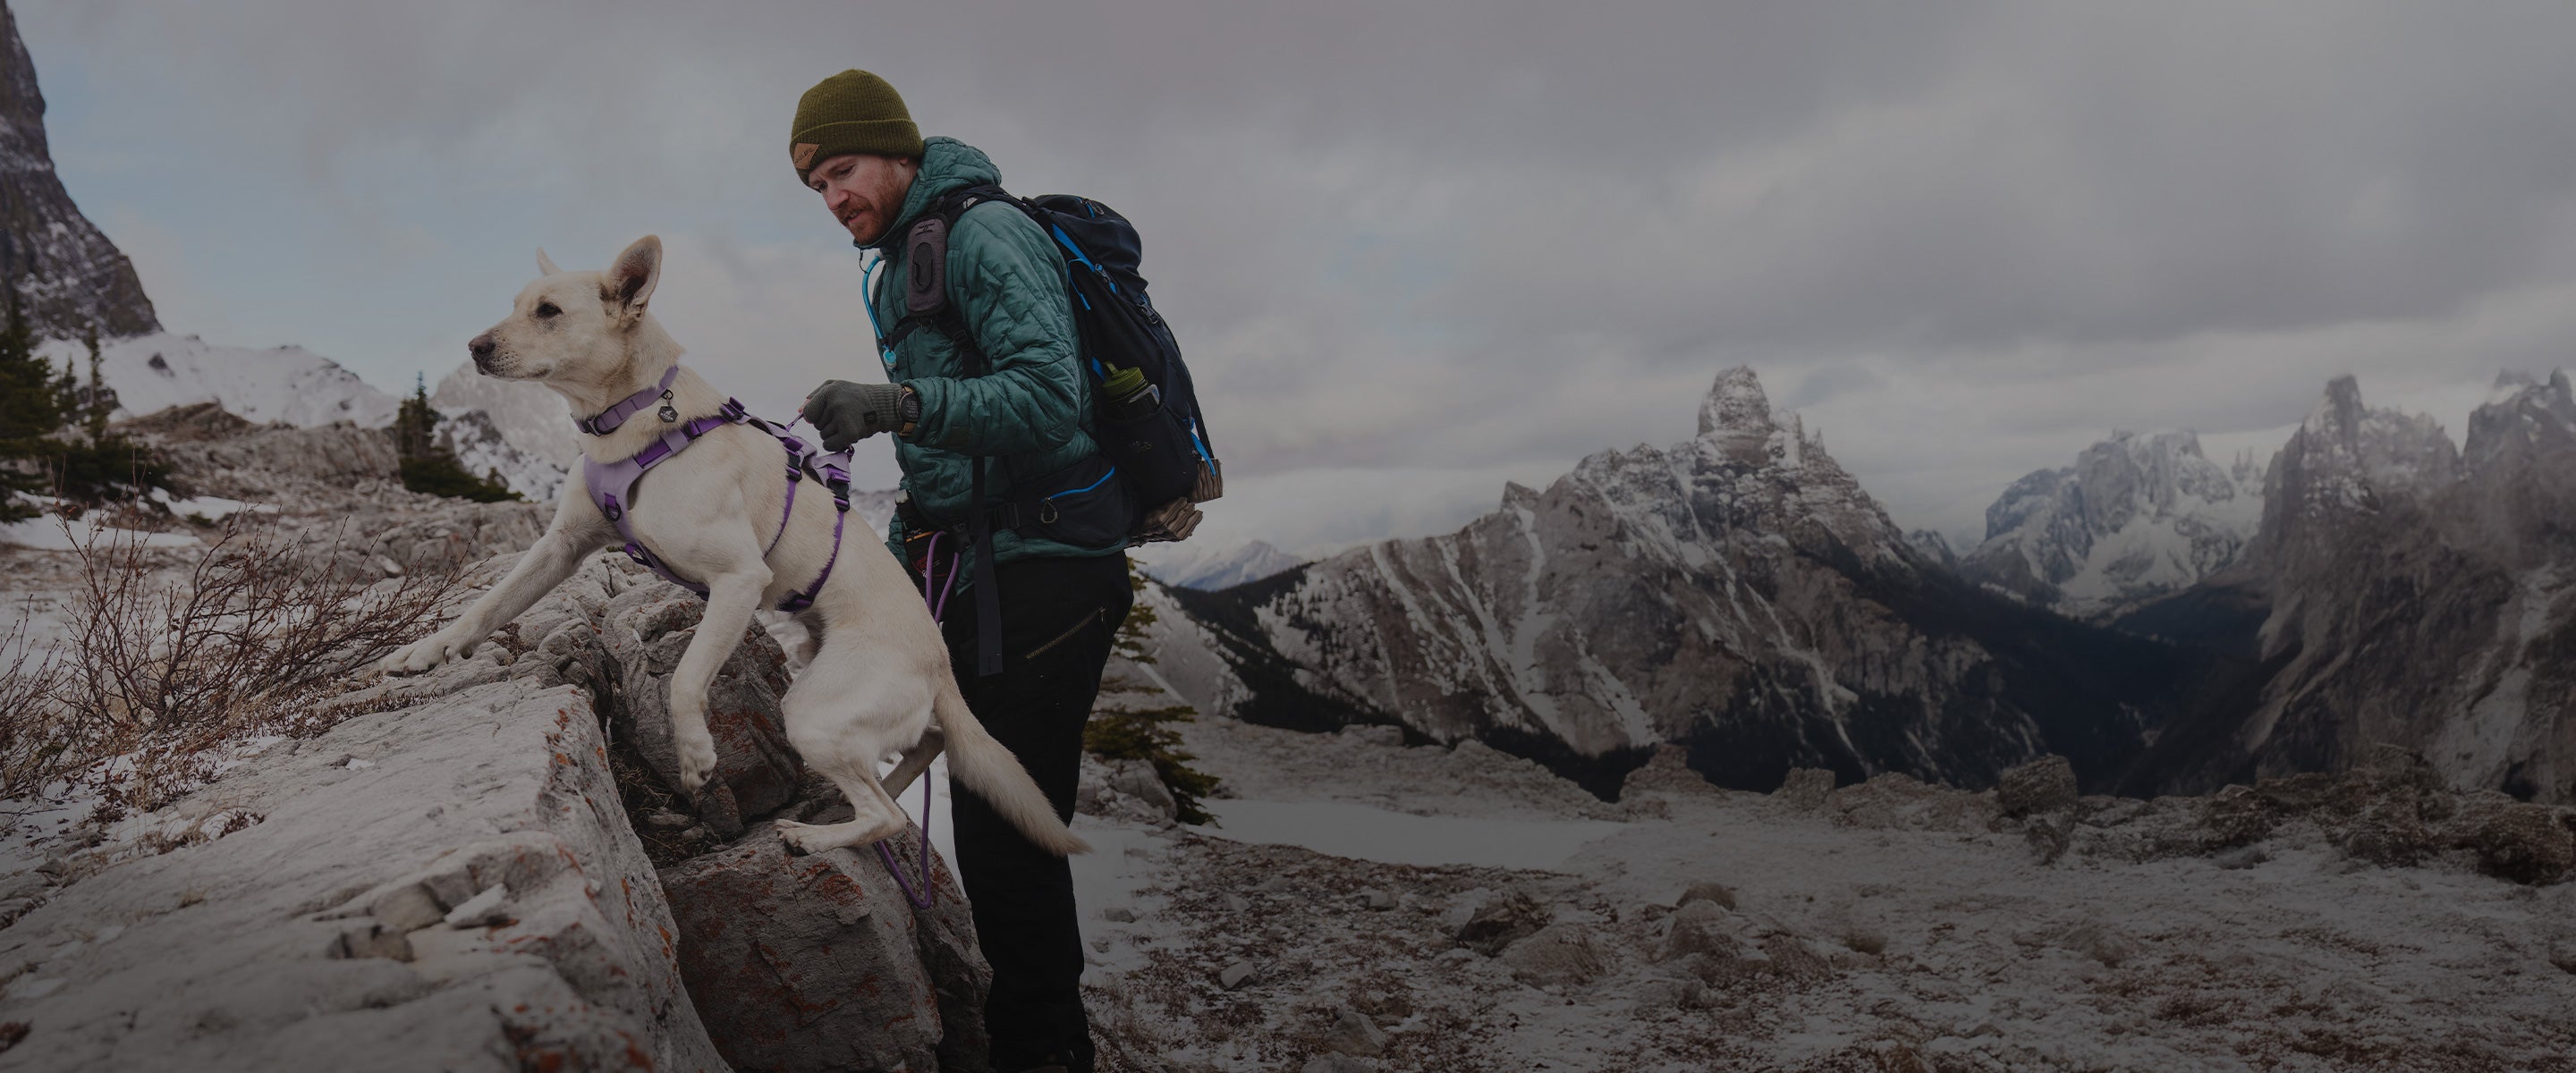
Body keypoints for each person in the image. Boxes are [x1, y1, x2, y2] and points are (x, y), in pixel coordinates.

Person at [792, 70, 1129, 1073]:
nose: (833, 198)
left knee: (1008, 845)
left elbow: (1047, 400)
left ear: (898, 152)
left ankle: (1045, 1055)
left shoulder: (980, 234)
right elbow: (952, 463)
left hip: (1049, 575)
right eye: (815, 186)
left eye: (843, 170)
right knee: (997, 843)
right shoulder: (906, 255)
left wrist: (897, 408)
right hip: (987, 572)